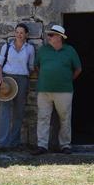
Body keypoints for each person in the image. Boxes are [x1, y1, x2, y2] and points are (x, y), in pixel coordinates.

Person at [33, 24, 81, 155]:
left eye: (51, 35)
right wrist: (44, 77)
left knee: (65, 118)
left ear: (59, 37)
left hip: (64, 90)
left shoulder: (70, 50)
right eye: (49, 35)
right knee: (43, 117)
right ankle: (42, 146)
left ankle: (65, 145)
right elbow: (36, 66)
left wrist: (67, 80)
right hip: (44, 90)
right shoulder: (43, 50)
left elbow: (78, 69)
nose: (48, 37)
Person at [0, 23, 35, 151]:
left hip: (22, 79)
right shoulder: (7, 46)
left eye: (21, 32)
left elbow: (31, 66)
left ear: (26, 35)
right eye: (17, 32)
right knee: (4, 111)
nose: (19, 35)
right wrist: (0, 79)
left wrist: (25, 76)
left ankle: (14, 143)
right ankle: (2, 143)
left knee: (19, 111)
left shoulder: (30, 49)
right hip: (7, 79)